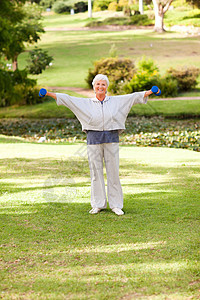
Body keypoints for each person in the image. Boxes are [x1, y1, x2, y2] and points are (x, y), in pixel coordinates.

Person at [39, 74, 160, 215]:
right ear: (94, 87)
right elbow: (68, 99)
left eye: (103, 84)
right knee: (96, 173)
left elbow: (132, 97)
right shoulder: (86, 103)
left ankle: (116, 205)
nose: (100, 87)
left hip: (111, 138)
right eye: (98, 84)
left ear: (106, 87)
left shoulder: (116, 101)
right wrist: (48, 93)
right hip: (93, 139)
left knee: (113, 172)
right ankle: (98, 204)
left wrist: (151, 92)